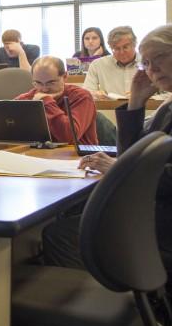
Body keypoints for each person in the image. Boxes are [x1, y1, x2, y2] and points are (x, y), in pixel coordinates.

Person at [43, 24, 172, 288]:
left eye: (158, 58)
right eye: (146, 62)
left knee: (60, 234)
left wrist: (118, 169)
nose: (151, 69)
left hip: (161, 222)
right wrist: (136, 102)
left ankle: (102, 308)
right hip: (149, 211)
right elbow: (131, 155)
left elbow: (161, 176)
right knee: (70, 219)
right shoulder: (167, 107)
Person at [15, 56, 98, 144]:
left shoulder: (81, 97)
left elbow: (69, 137)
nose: (44, 89)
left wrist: (46, 101)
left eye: (51, 83)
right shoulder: (26, 99)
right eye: (38, 83)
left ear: (65, 76)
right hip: (38, 154)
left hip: (78, 155)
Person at [84, 26, 141, 100]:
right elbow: (87, 93)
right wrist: (95, 95)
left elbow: (161, 94)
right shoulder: (97, 65)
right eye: (116, 49)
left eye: (125, 47)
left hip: (145, 109)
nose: (122, 52)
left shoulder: (149, 63)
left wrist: (143, 97)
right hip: (110, 110)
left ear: (134, 44)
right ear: (110, 48)